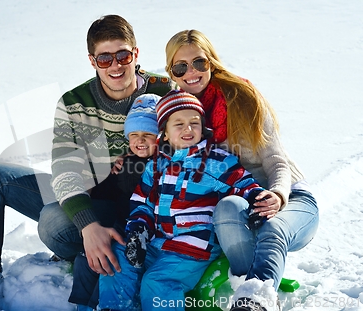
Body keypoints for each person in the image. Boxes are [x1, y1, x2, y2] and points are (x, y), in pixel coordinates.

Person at [0, 14, 172, 308]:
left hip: (140, 205)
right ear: (92, 60)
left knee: (52, 223)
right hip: (90, 197)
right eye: (104, 58)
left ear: (136, 54)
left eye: (123, 55)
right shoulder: (74, 102)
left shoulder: (163, 92)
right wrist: (87, 226)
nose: (115, 65)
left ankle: (89, 250)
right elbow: (64, 168)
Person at [164, 29, 319, 310]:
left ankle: (255, 300)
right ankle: (248, 286)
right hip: (241, 202)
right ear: (171, 72)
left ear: (211, 62)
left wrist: (278, 195)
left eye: (199, 62)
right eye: (181, 66)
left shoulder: (243, 98)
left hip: (289, 195)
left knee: (273, 227)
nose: (191, 73)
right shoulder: (177, 115)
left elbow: (277, 160)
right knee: (226, 208)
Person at [98, 90, 267, 311]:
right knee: (118, 259)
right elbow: (142, 202)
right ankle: (116, 307)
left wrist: (256, 200)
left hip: (191, 248)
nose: (188, 129)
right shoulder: (156, 165)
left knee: (157, 282)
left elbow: (244, 183)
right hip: (156, 242)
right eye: (179, 124)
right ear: (164, 133)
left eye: (194, 123)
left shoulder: (214, 160)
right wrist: (139, 230)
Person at [69, 93, 161, 311]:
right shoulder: (124, 162)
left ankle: (99, 303)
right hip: (122, 222)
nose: (140, 140)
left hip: (148, 229)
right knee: (88, 256)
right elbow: (105, 194)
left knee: (113, 260)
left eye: (148, 134)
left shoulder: (165, 164)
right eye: (134, 134)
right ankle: (82, 305)